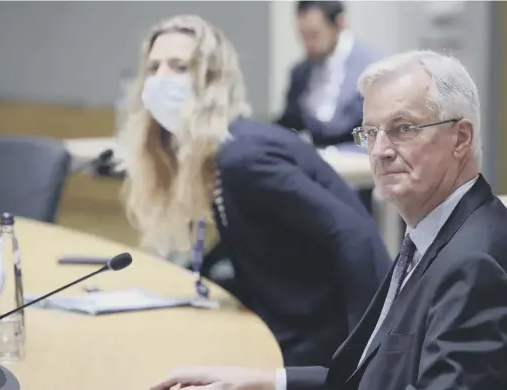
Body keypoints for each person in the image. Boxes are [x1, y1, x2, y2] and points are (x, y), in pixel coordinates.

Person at [148, 50, 507, 390]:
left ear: (461, 138)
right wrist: (264, 380)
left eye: (403, 128)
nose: (380, 150)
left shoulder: (474, 266)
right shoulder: (435, 234)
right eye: (370, 132)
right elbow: (370, 377)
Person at [121, 15, 391, 367]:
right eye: (153, 67)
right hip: (286, 326)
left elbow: (355, 236)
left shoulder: (244, 157)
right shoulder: (218, 154)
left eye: (180, 66)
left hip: (324, 344)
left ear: (213, 80)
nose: (160, 79)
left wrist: (371, 357)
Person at [276, 1, 384, 148]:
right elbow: (289, 125)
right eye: (302, 35)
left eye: (314, 35)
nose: (307, 44)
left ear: (339, 23)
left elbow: (380, 133)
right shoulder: (300, 72)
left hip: (359, 162)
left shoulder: (374, 67)